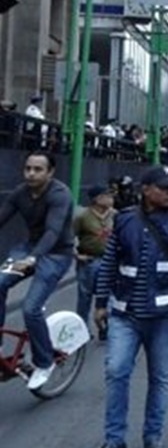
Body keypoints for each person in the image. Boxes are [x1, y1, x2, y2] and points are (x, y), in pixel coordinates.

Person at [92, 165, 168, 448]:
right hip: (125, 313)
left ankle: (153, 437)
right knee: (116, 370)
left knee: (159, 377)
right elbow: (109, 263)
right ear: (146, 190)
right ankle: (114, 439)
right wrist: (100, 303)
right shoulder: (124, 221)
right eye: (164, 187)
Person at [0, 151, 75, 390]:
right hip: (28, 248)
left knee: (31, 308)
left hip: (56, 254)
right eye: (28, 168)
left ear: (50, 172)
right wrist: (29, 254)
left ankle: (45, 362)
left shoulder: (59, 194)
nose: (31, 173)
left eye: (38, 169)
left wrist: (33, 258)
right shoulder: (20, 193)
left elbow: (53, 231)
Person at [74, 183, 117, 340]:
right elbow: (68, 237)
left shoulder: (115, 215)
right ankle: (82, 330)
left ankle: (106, 327)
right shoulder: (82, 216)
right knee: (84, 297)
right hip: (89, 262)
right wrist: (76, 255)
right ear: (97, 199)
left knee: (110, 295)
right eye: (108, 195)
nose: (111, 198)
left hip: (110, 262)